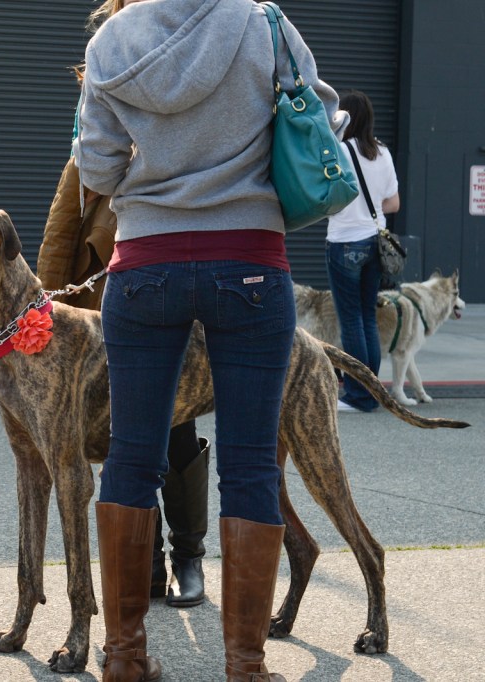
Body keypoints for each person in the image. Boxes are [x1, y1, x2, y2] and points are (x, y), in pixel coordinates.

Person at [74, 1, 343, 680]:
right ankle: (245, 667)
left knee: (131, 459)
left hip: (144, 265)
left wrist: (158, 170)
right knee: (250, 467)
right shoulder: (265, 25)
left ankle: (125, 658)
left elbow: (96, 170)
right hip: (250, 259)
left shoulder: (112, 39)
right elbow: (322, 118)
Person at [36, 0, 210, 611]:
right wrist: (43, 311)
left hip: (179, 277)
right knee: (124, 436)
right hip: (105, 305)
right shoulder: (96, 108)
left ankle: (189, 556)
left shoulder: (191, 88)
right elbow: (65, 219)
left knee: (179, 424)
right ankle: (146, 561)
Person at [327, 90, 401, 413]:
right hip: (375, 242)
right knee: (367, 316)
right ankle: (371, 392)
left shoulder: (339, 150)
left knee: (351, 319)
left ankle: (358, 395)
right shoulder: (382, 152)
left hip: (344, 240)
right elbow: (394, 203)